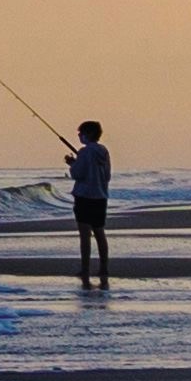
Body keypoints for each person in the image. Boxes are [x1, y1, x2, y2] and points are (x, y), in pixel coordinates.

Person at [63, 120, 112, 287]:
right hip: (100, 196)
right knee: (99, 232)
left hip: (84, 197)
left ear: (89, 134)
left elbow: (78, 173)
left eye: (81, 133)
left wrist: (72, 164)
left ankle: (85, 269)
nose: (79, 136)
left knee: (85, 235)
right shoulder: (104, 151)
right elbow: (107, 176)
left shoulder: (85, 152)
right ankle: (104, 267)